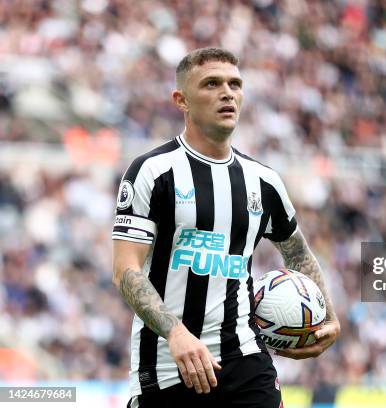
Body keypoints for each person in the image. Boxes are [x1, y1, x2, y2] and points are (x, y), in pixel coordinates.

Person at [111, 47, 341, 407]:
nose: (227, 93)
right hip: (168, 367)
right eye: (211, 84)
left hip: (247, 361)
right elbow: (125, 270)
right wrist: (176, 333)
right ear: (181, 100)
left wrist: (326, 314)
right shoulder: (152, 173)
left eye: (235, 84)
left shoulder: (263, 181)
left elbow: (296, 250)